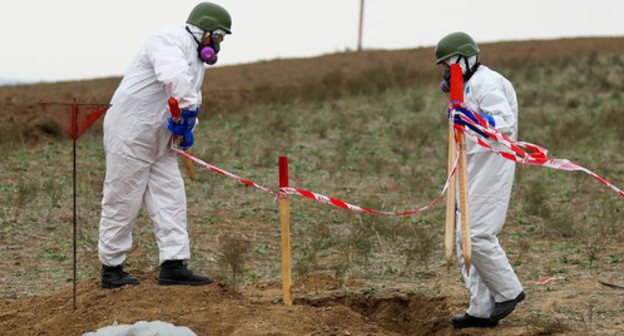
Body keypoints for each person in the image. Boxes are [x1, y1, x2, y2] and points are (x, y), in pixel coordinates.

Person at [98, 2, 232, 289]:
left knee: (171, 196)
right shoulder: (168, 41)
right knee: (123, 197)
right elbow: (176, 80)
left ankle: (173, 264)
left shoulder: (195, 57)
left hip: (160, 137)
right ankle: (111, 268)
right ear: (204, 31)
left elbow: (191, 92)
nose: (218, 45)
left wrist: (188, 129)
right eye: (218, 37)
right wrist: (188, 112)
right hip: (131, 131)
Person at [435, 32, 525, 328]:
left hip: (493, 164)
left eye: (448, 67)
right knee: (464, 236)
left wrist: (472, 119)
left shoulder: (487, 82)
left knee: (476, 234)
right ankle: (481, 309)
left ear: (462, 60)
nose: (446, 73)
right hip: (471, 163)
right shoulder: (468, 86)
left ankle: (508, 291)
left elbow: (505, 122)